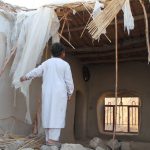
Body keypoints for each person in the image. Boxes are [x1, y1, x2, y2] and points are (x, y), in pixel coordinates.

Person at [20, 43, 74, 147]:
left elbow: (36, 71)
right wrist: (70, 93)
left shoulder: (46, 63)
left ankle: (48, 139)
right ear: (62, 53)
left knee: (48, 113)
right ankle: (53, 140)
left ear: (52, 53)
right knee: (57, 115)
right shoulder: (65, 65)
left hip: (47, 93)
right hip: (60, 94)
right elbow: (69, 81)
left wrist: (26, 76)